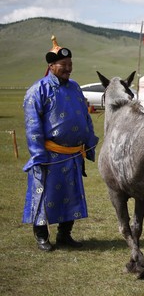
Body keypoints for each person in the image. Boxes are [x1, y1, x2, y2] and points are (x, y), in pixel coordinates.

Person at [22, 36, 99, 251]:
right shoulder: (38, 90)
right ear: (51, 66)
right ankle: (42, 236)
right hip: (49, 155)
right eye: (63, 65)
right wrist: (38, 155)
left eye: (70, 65)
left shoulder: (75, 87)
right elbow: (32, 126)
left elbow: (84, 116)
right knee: (45, 196)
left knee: (70, 196)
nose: (68, 69)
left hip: (73, 154)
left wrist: (89, 143)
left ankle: (65, 235)